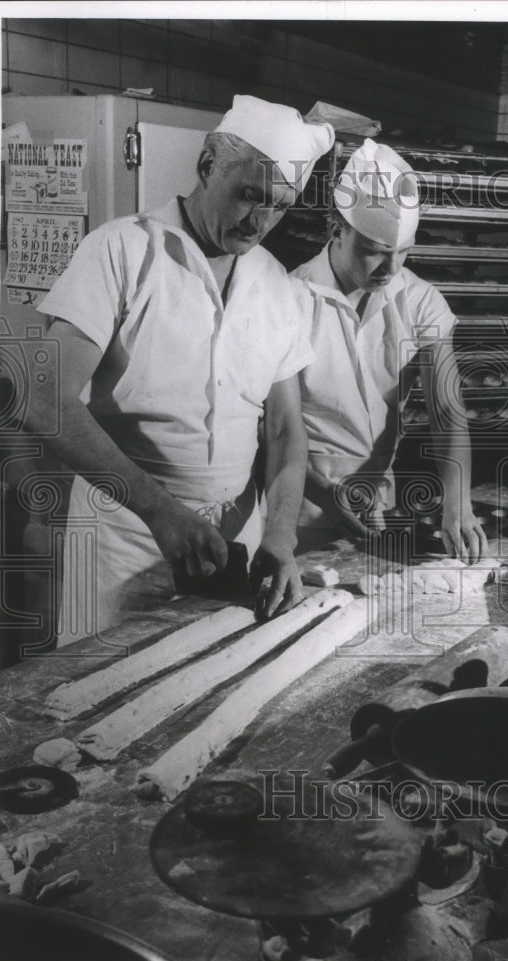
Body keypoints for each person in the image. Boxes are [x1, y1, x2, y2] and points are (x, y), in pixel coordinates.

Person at [28, 96, 334, 644]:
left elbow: (286, 429)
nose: (259, 221)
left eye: (279, 206)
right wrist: (161, 512)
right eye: (248, 195)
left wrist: (281, 535)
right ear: (208, 164)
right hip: (124, 537)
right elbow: (44, 400)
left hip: (235, 544)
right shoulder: (120, 251)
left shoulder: (275, 283)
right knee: (101, 703)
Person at [292, 138, 487, 562]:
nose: (391, 269)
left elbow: (447, 410)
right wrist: (324, 494)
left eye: (403, 253)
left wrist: (458, 503)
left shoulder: (417, 299)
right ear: (337, 231)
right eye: (375, 253)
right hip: (294, 509)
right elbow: (268, 430)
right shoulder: (289, 300)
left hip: (377, 507)